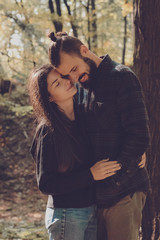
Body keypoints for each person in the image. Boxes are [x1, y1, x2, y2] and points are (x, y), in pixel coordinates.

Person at [47, 32, 150, 240]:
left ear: (84, 50)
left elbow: (139, 135)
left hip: (123, 194)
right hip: (94, 200)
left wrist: (116, 176)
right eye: (68, 75)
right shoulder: (82, 89)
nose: (75, 78)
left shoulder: (122, 77)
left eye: (74, 69)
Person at [28, 64, 122, 240]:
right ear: (49, 98)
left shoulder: (84, 116)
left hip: (92, 210)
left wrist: (138, 151)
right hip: (66, 214)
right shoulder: (48, 130)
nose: (65, 82)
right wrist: (91, 175)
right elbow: (46, 184)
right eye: (56, 84)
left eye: (63, 77)